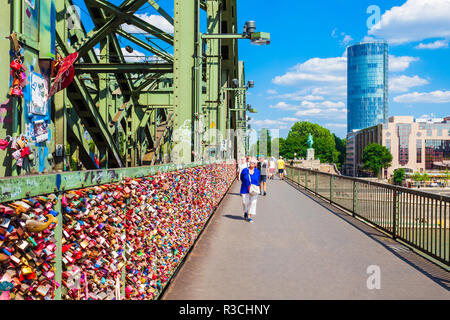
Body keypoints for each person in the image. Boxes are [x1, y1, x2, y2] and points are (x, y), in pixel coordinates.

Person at [240, 157, 260, 223]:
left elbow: (258, 180)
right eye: (251, 162)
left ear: (255, 164)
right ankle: (245, 211)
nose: (252, 164)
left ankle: (249, 216)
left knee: (253, 202)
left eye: (253, 163)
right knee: (244, 202)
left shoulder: (257, 171)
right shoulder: (245, 170)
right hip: (245, 188)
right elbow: (241, 178)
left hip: (254, 190)